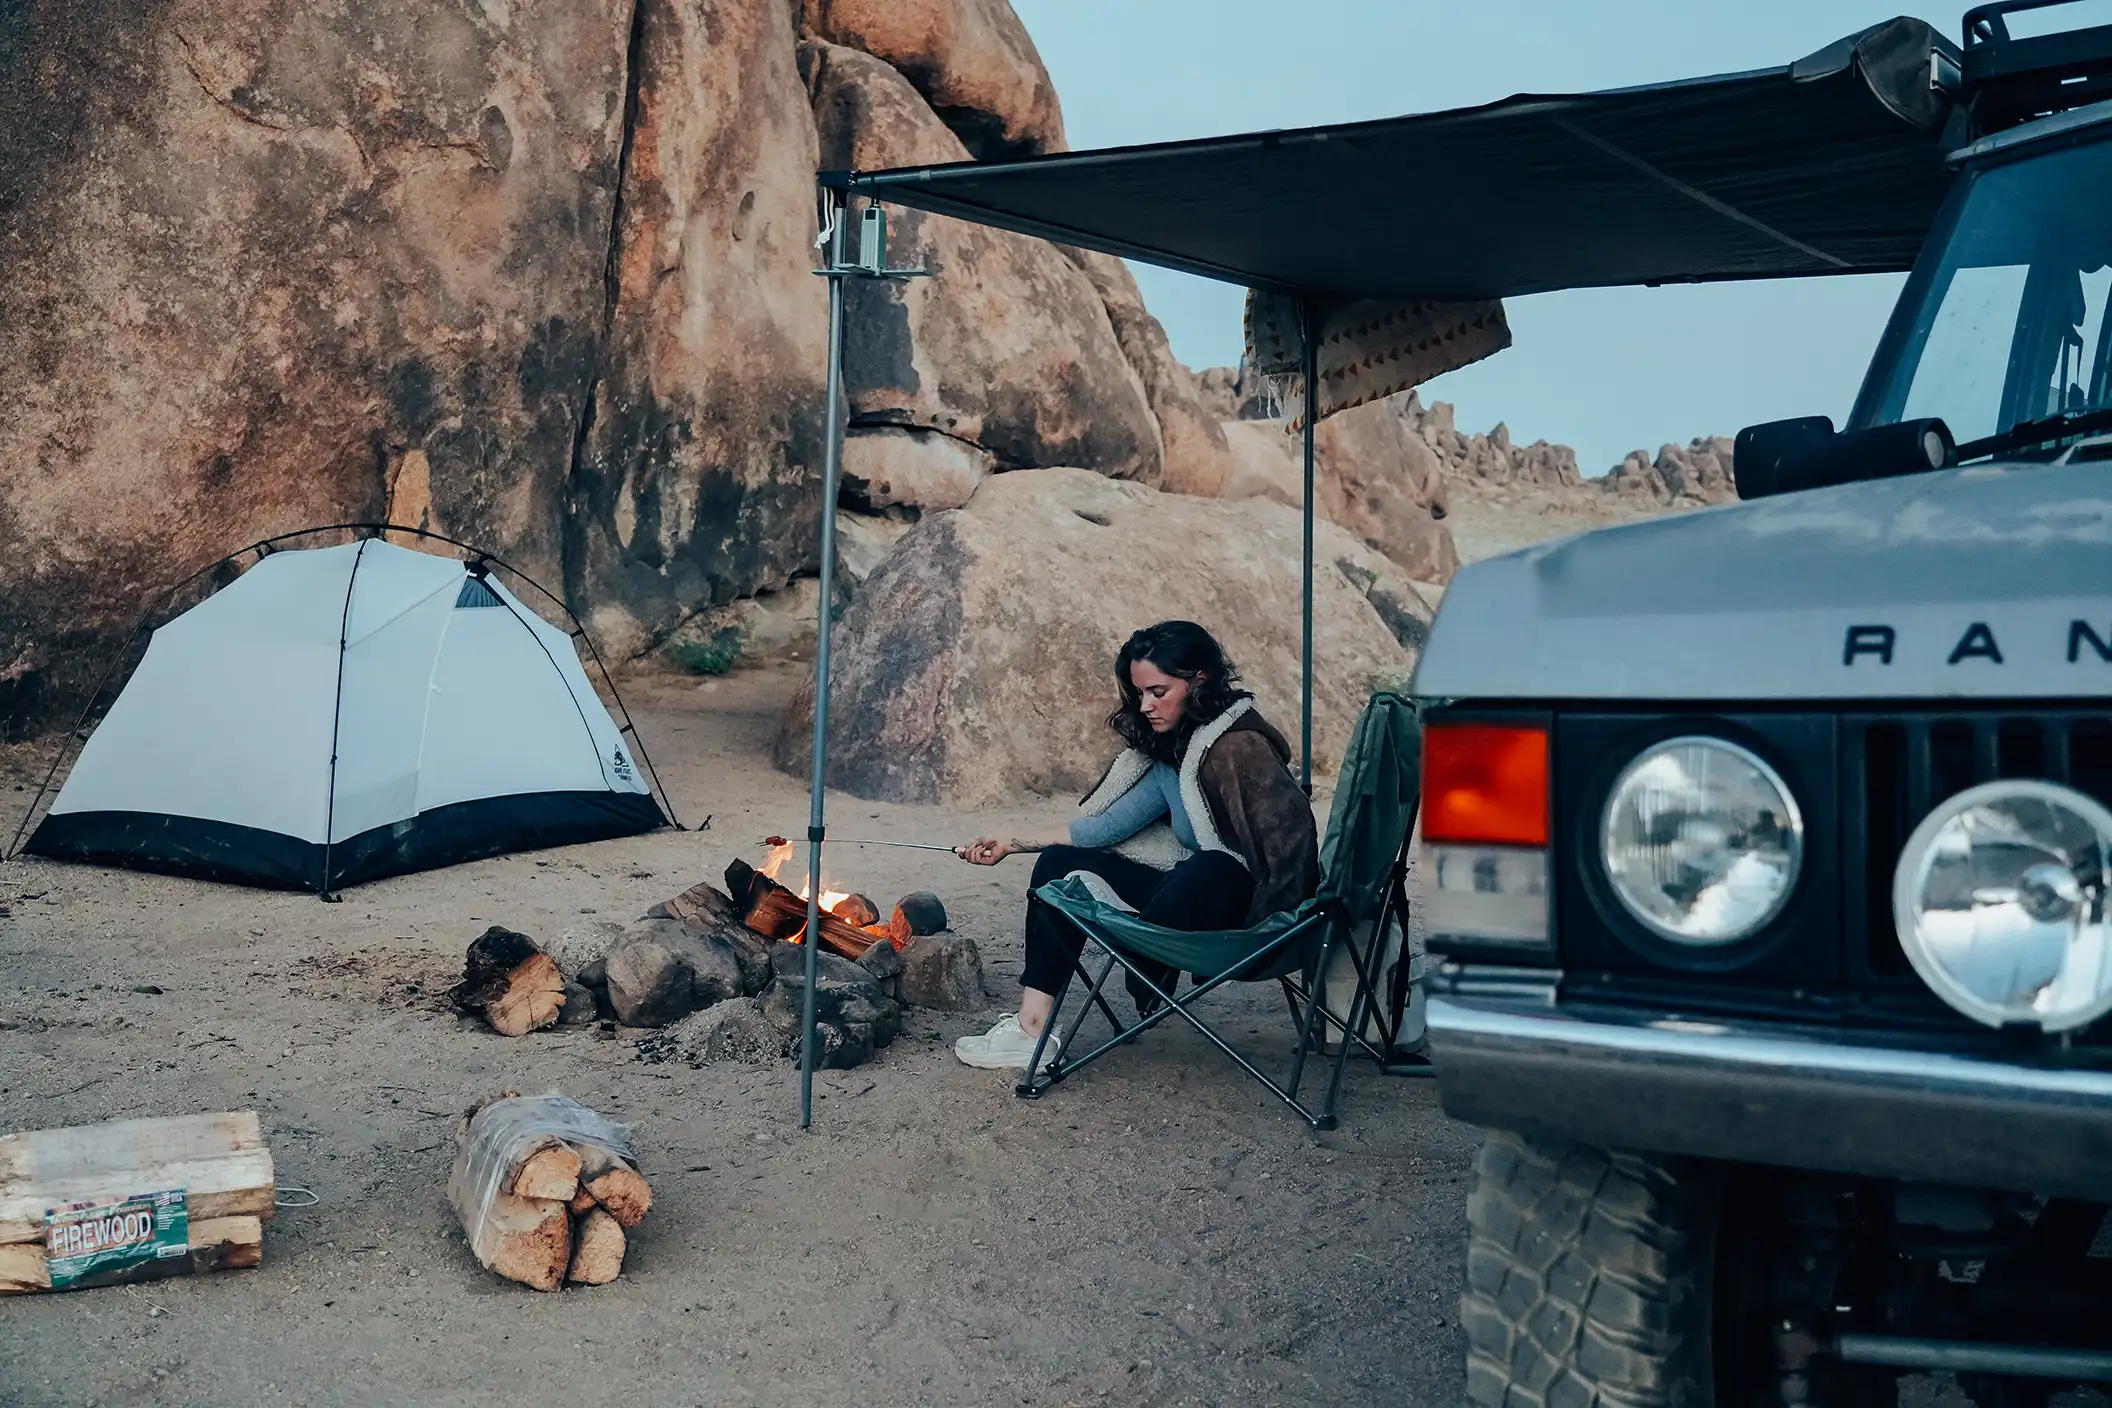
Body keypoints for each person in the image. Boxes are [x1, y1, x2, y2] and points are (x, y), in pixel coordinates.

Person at [951, 621, 1319, 1072]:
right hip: (1180, 901)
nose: (1145, 705)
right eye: (1139, 693)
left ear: (1198, 680)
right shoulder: (1174, 750)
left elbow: (1291, 846)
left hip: (1241, 913)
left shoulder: (1241, 748)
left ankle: (1142, 954)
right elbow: (1107, 827)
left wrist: (1279, 932)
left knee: (1214, 868)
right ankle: (1032, 1030)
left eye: (1158, 692)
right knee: (1059, 864)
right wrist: (1011, 843)